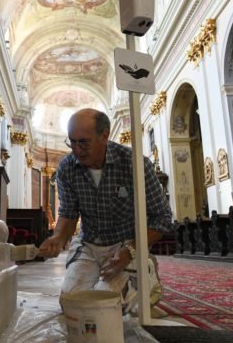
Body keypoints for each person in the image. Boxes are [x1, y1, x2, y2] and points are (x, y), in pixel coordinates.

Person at [39, 108, 173, 312]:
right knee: (72, 305)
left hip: (125, 243)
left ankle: (146, 273)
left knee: (107, 306)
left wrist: (130, 250)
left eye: (83, 142)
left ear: (104, 135)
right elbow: (68, 213)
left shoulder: (134, 164)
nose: (76, 150)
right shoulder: (67, 167)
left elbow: (162, 217)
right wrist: (58, 238)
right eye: (72, 142)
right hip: (89, 245)